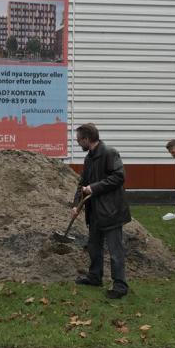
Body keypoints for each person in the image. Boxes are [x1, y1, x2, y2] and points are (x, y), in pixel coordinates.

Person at [72, 123, 132, 299]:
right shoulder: (89, 157)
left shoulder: (109, 153)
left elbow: (119, 177)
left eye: (79, 140)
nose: (78, 143)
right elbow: (82, 184)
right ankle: (95, 277)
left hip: (111, 212)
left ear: (87, 139)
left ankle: (120, 286)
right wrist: (76, 205)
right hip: (95, 212)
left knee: (115, 251)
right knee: (94, 247)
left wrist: (95, 188)